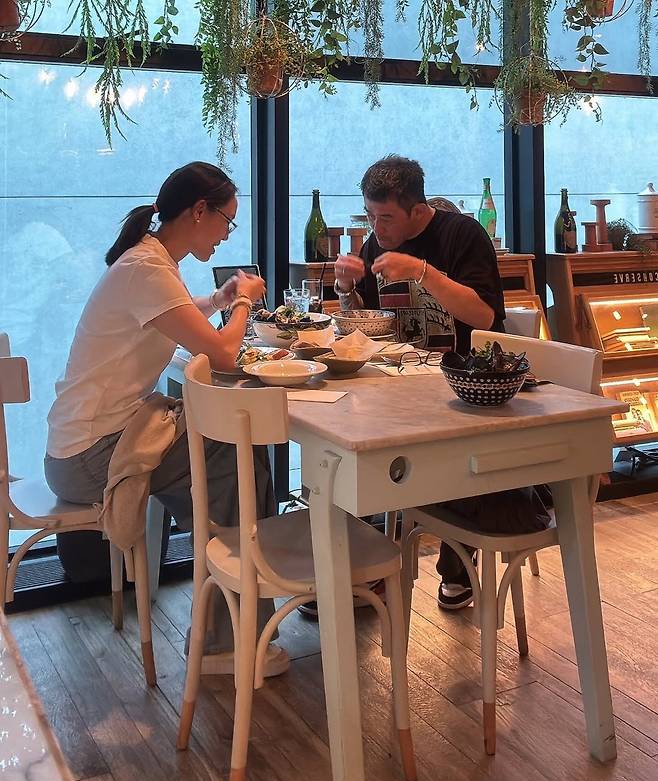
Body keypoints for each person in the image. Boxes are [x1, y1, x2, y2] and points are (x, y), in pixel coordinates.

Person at [44, 161, 289, 676]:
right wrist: (243, 303)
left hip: (82, 444)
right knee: (233, 454)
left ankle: (235, 600)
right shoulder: (147, 269)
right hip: (88, 457)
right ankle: (230, 642)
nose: (227, 234)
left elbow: (175, 315)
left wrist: (217, 299)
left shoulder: (149, 262)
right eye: (227, 220)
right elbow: (224, 354)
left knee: (226, 459)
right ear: (199, 211)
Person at [334, 155, 550, 611]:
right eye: (370, 216)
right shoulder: (376, 245)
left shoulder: (461, 234)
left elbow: (485, 316)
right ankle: (364, 570)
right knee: (349, 445)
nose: (376, 228)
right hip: (401, 387)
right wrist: (345, 290)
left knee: (449, 457)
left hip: (467, 388)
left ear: (417, 209)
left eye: (385, 218)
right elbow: (370, 326)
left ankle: (455, 565)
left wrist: (422, 271)